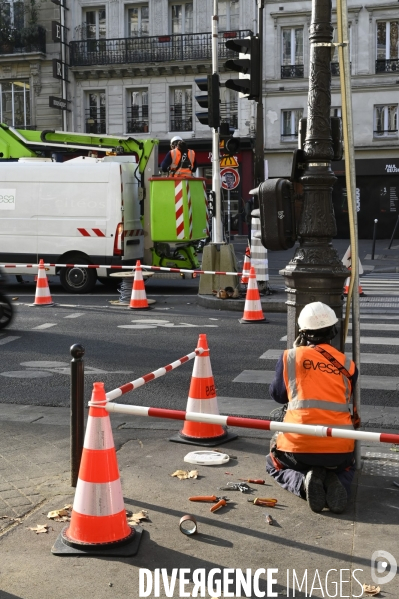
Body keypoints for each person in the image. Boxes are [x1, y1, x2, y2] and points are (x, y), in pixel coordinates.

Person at [266, 301, 358, 514]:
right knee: (348, 466)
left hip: (298, 450)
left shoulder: (290, 356)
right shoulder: (348, 365)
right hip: (339, 451)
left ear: (303, 332)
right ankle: (337, 481)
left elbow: (278, 396)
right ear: (334, 331)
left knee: (272, 463)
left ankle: (303, 484)